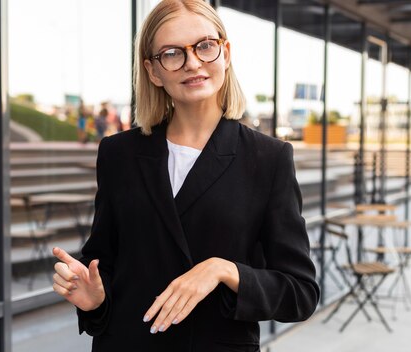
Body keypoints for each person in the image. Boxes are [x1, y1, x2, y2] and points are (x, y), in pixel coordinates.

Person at [52, 1, 319, 351]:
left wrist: (223, 270)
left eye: (205, 46)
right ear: (153, 71)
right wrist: (93, 297)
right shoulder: (118, 154)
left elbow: (300, 293)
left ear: (225, 52)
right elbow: (103, 260)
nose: (193, 62)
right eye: (172, 53)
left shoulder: (269, 158)